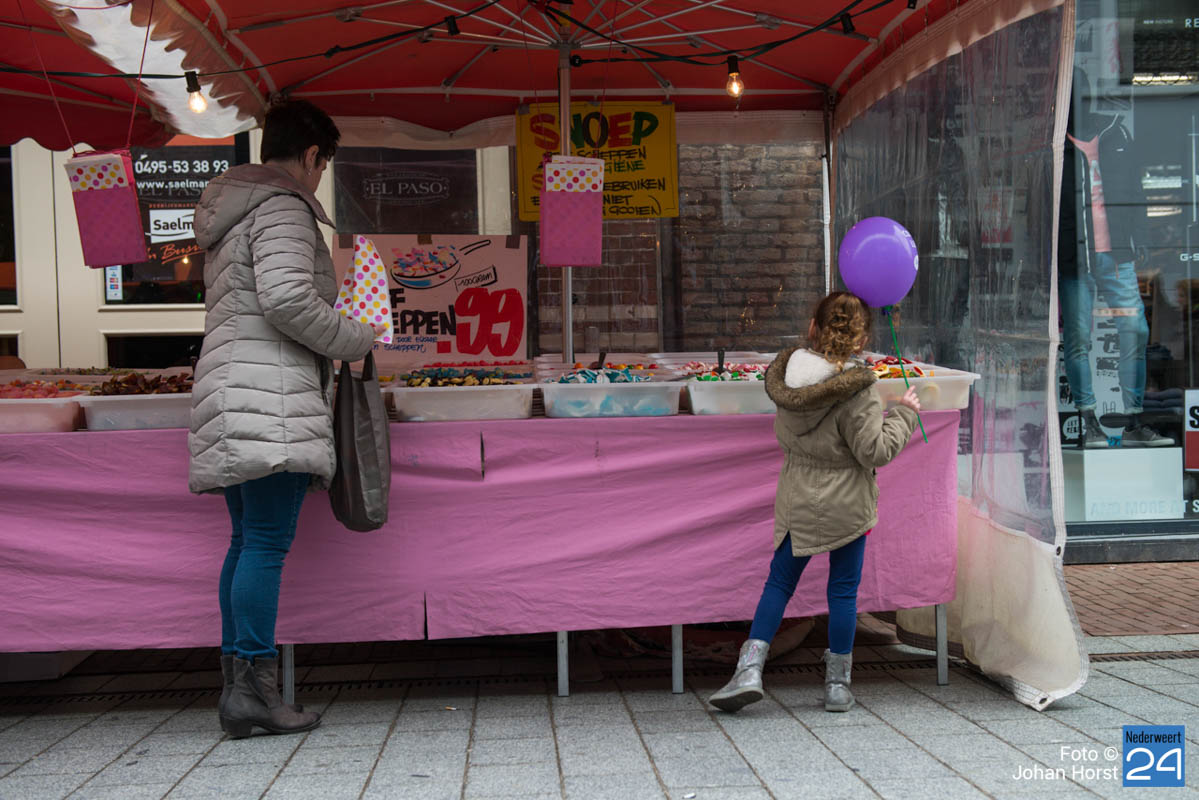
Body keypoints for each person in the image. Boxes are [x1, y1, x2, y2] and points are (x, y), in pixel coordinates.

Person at [188, 99, 385, 738]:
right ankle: (253, 690)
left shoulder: (234, 209)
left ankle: (240, 690)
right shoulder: (282, 208)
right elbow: (287, 299)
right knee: (265, 544)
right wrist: (356, 337)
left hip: (235, 389)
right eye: (323, 165)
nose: (320, 177)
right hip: (268, 396)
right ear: (310, 155)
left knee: (247, 541)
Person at [709, 292, 920, 713]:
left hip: (798, 496)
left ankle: (748, 671)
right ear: (861, 340)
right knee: (843, 592)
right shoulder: (860, 388)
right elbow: (874, 451)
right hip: (848, 502)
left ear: (813, 328)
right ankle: (837, 685)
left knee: (779, 583)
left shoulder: (789, 378)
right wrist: (904, 414)